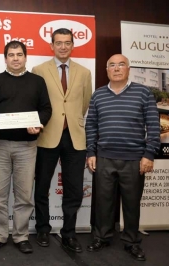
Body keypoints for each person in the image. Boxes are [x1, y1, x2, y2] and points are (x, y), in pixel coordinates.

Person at [85, 54, 160, 261]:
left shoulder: (143, 93)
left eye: (121, 65)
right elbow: (91, 124)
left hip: (135, 159)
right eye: (112, 65)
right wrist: (91, 152)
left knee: (132, 203)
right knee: (103, 202)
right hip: (104, 158)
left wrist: (148, 154)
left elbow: (153, 126)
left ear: (128, 69)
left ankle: (131, 242)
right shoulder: (98, 95)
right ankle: (102, 237)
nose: (116, 69)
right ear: (106, 70)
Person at [0, 41, 52, 254]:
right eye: (11, 55)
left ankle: (21, 236)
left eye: (19, 54)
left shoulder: (38, 82)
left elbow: (46, 110)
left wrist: (38, 125)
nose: (15, 58)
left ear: (25, 57)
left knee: (24, 195)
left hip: (27, 146)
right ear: (5, 58)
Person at [31, 28, 92, 253]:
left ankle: (69, 233)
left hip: (75, 139)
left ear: (73, 45)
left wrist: (71, 121)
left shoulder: (84, 73)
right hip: (47, 135)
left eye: (68, 43)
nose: (63, 47)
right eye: (59, 43)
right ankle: (43, 229)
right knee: (42, 187)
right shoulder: (38, 70)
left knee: (74, 189)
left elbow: (84, 104)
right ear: (52, 45)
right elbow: (36, 102)